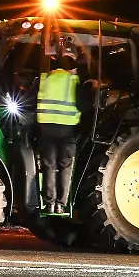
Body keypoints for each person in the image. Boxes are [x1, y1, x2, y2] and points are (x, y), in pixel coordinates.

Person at [36, 50, 82, 214]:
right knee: (65, 166)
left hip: (46, 127)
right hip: (67, 128)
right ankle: (60, 205)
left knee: (49, 165)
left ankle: (49, 203)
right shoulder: (73, 80)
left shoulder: (46, 78)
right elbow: (81, 104)